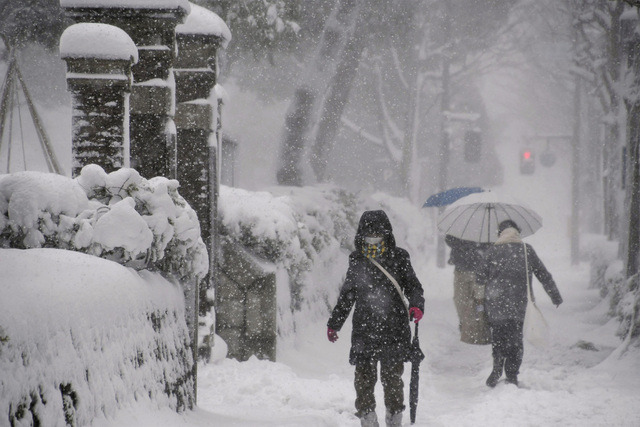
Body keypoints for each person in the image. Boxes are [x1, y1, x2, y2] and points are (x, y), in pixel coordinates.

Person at [327, 210, 425, 427]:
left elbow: (413, 286)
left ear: (386, 232)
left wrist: (417, 305)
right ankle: (368, 421)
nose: (373, 235)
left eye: (377, 231)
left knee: (392, 380)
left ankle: (394, 420)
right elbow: (348, 295)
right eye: (368, 231)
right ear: (361, 232)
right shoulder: (357, 259)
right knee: (363, 381)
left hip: (394, 330)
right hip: (364, 330)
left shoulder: (399, 257)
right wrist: (334, 324)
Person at [477, 219, 563, 388]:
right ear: (517, 232)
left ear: (500, 233)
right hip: (519, 304)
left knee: (499, 337)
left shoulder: (492, 251)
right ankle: (512, 375)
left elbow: (480, 278)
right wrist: (555, 296)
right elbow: (543, 275)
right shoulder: (526, 250)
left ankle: (496, 368)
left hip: (495, 304)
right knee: (515, 340)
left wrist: (482, 299)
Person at [445, 235, 492, 344]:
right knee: (460, 300)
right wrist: (467, 245)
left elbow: (491, 244)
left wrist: (479, 246)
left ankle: (482, 331)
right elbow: (449, 239)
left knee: (480, 301)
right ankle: (466, 325)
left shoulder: (486, 226)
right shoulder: (461, 225)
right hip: (461, 270)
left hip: (480, 270)